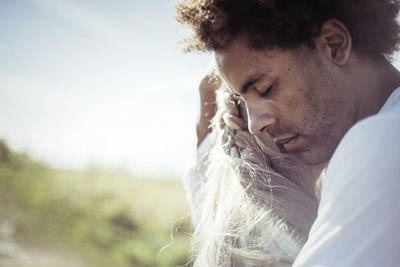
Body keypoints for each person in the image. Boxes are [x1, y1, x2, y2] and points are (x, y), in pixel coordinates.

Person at [176, 0, 400, 266]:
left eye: (265, 88)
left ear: (334, 43)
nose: (254, 125)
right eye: (242, 100)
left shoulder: (381, 141)